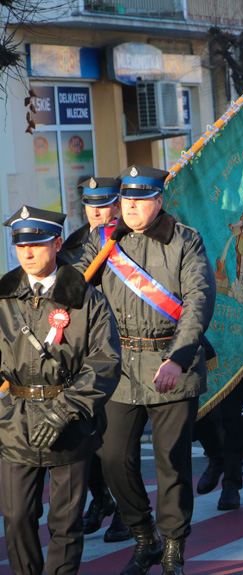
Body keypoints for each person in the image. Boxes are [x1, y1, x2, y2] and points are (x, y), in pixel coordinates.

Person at [75, 165, 217, 575]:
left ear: (159, 201)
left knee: (171, 461)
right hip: (119, 368)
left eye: (141, 199)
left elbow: (198, 300)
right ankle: (144, 536)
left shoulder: (185, 240)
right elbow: (77, 288)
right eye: (126, 200)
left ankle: (173, 545)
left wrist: (178, 356)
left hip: (172, 363)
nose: (131, 206)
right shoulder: (103, 241)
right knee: (112, 456)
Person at [0, 205, 120, 575]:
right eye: (21, 245)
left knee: (65, 525)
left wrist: (65, 410)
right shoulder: (3, 298)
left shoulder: (86, 298)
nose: (27, 253)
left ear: (55, 244)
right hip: (14, 420)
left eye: (36, 244)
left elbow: (104, 361)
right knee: (17, 516)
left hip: (69, 421)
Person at [57, 177, 132, 542]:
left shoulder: (126, 237)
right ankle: (100, 498)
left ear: (117, 204)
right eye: (91, 204)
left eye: (104, 204)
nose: (97, 211)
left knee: (115, 442)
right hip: (81, 351)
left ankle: (123, 508)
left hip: (120, 349)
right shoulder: (74, 242)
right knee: (83, 435)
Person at [61, 177, 122, 264]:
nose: (95, 213)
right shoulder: (72, 244)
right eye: (90, 206)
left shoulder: (129, 240)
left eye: (101, 206)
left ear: (117, 207)